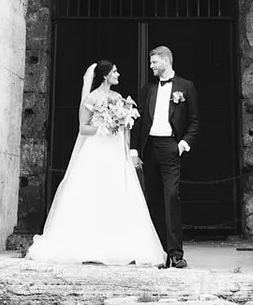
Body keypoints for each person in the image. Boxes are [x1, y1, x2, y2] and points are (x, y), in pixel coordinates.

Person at [26, 59, 166, 265]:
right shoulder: (91, 98)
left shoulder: (118, 97)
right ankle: (89, 246)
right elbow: (83, 128)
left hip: (116, 152)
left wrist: (123, 128)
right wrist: (104, 127)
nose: (118, 75)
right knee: (94, 192)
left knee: (117, 192)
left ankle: (119, 246)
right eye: (115, 72)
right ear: (105, 75)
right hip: (96, 151)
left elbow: (125, 127)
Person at [129, 45, 199, 269]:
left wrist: (183, 145)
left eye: (154, 62)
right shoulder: (148, 88)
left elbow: (195, 121)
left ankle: (176, 253)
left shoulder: (186, 87)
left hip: (170, 147)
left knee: (171, 197)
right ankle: (158, 252)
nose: (151, 67)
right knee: (154, 200)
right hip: (149, 148)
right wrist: (134, 149)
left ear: (166, 62)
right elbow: (139, 119)